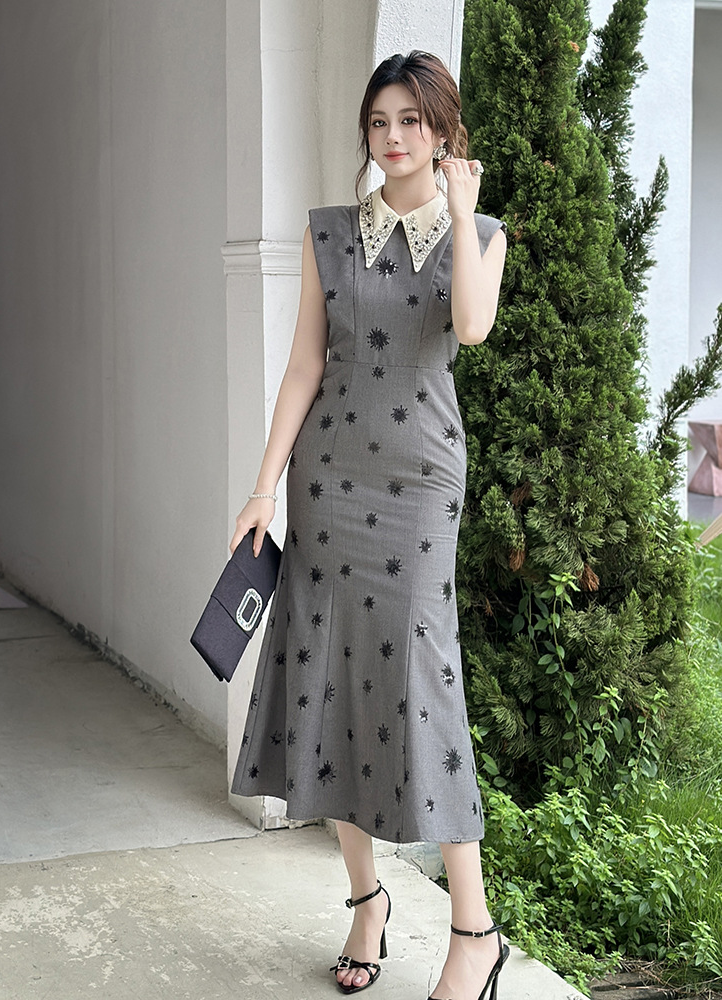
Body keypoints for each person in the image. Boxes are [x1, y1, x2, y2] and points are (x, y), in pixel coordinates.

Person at [228, 50, 508, 1000]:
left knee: (426, 685)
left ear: (443, 130)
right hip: (329, 482)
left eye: (411, 121)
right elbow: (303, 367)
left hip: (421, 484)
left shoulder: (483, 235)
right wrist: (264, 487)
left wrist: (462, 215)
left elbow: (470, 328)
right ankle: (365, 901)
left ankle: (474, 931)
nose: (393, 137)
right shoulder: (330, 236)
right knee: (329, 680)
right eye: (380, 122)